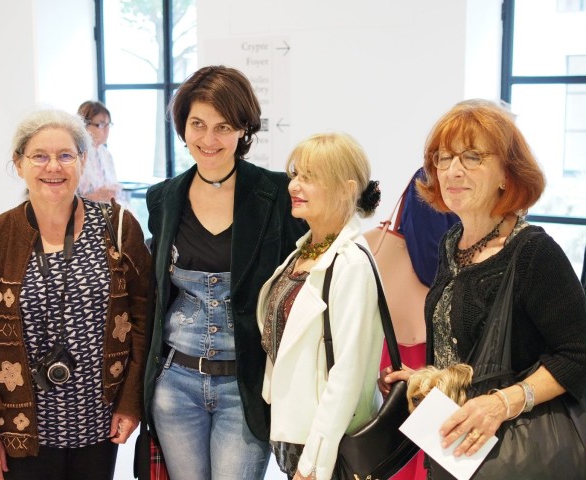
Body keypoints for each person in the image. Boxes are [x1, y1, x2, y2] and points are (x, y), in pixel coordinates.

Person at [379, 99, 586, 477]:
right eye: (444, 158)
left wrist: (502, 403)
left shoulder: (532, 252)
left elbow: (579, 352)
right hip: (457, 451)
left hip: (519, 455)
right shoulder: (452, 244)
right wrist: (428, 378)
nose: (453, 170)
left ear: (507, 173)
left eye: (472, 157)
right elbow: (465, 352)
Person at [0, 108, 150, 480]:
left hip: (98, 426)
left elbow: (143, 322)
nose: (53, 167)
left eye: (65, 155)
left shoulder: (118, 227)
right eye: (39, 156)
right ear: (19, 163)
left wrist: (130, 402)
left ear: (83, 160)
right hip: (19, 431)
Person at [143, 65, 306, 479]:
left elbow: (304, 280)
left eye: (223, 127)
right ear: (183, 127)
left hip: (244, 386)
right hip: (176, 385)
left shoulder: (277, 194)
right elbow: (158, 294)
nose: (209, 139)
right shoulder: (163, 198)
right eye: (198, 124)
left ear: (243, 129)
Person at [257, 132, 385, 480]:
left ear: (346, 189)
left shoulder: (350, 264)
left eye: (310, 177)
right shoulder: (304, 252)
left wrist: (315, 462)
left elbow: (347, 373)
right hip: (295, 433)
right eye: (295, 174)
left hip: (324, 445)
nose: (294, 185)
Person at [365, 167, 458, 480]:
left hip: (406, 342)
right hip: (431, 344)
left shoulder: (432, 176)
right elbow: (433, 263)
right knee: (426, 450)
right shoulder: (436, 178)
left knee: (404, 448)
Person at [77, 100, 124, 202]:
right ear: (84, 125)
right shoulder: (76, 154)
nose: (107, 130)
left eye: (108, 124)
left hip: (109, 207)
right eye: (101, 125)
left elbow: (112, 185)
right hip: (86, 209)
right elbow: (69, 199)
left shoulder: (106, 154)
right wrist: (95, 196)